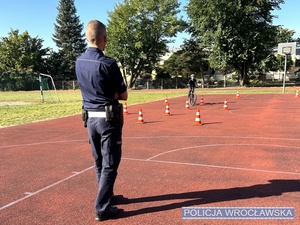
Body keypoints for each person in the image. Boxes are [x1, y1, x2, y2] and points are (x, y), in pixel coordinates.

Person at [75, 20, 128, 221]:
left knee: (99, 161)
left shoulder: (78, 61)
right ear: (104, 39)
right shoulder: (108, 63)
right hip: (108, 119)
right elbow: (123, 95)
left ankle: (106, 196)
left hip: (89, 118)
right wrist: (112, 93)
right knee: (111, 163)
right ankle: (102, 207)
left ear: (88, 38)